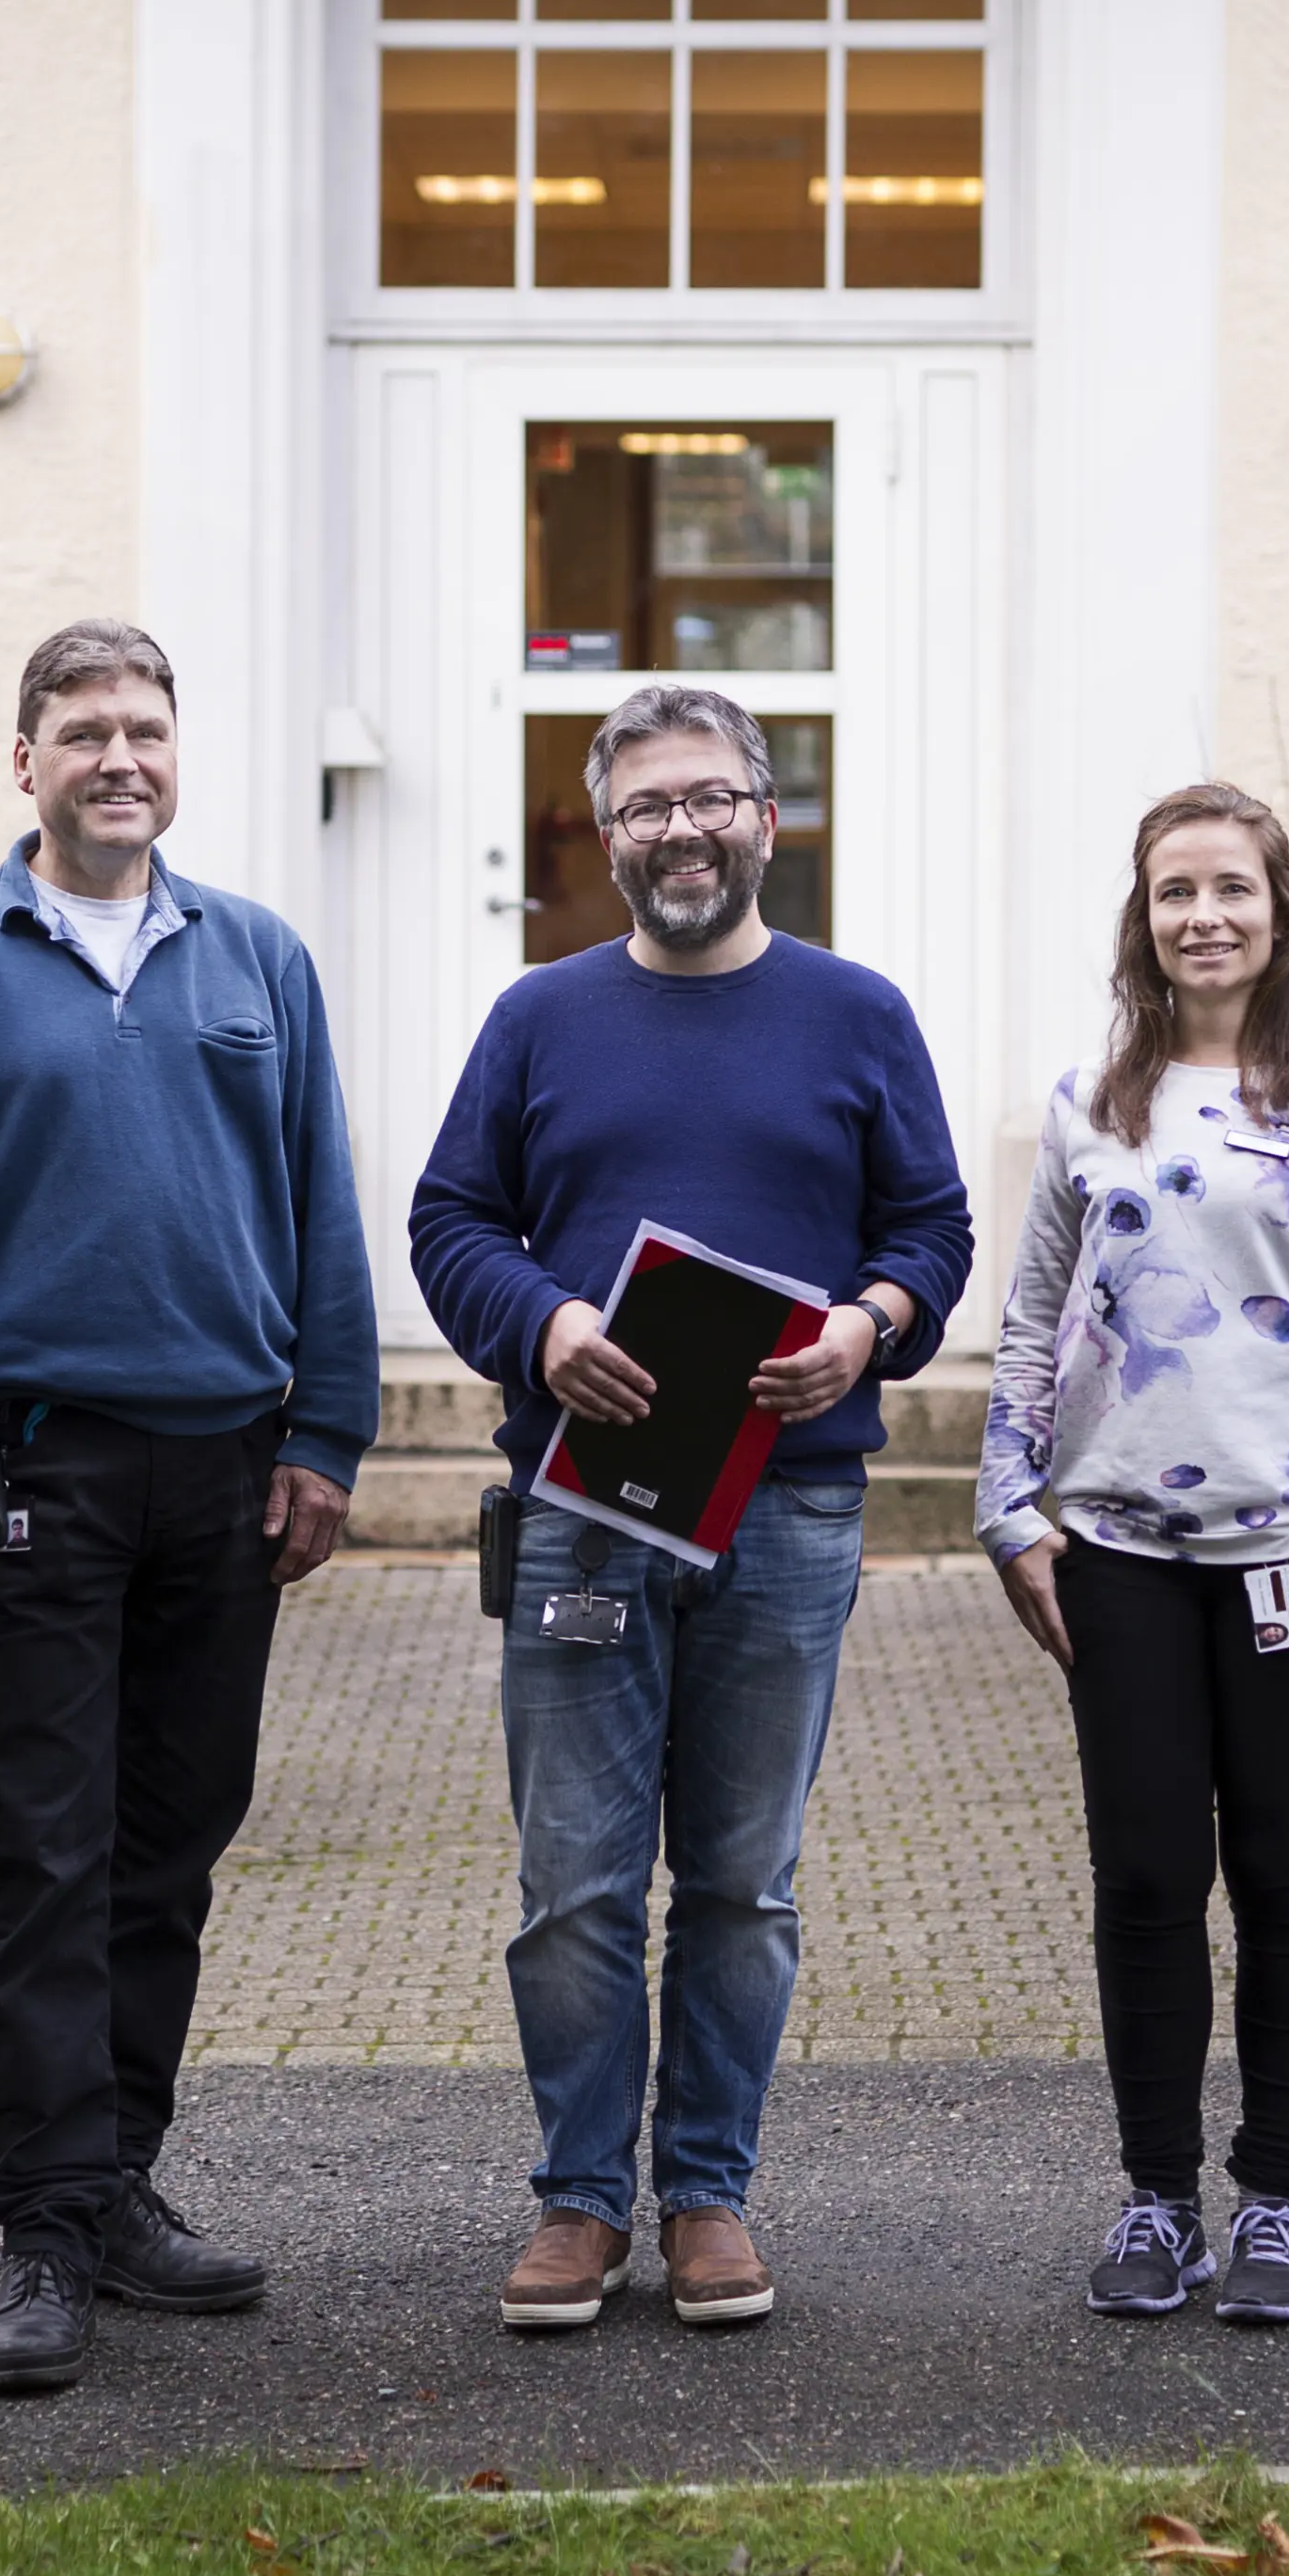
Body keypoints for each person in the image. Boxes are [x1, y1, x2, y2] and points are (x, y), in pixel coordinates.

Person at [0, 620, 383, 2395]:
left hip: (226, 1470)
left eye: (144, 727)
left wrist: (331, 1435)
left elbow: (319, 1208)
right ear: (26, 762)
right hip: (27, 1473)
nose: (118, 757)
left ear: (175, 751)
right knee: (42, 1857)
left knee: (171, 1840)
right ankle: (47, 2229)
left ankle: (120, 2176)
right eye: (83, 732)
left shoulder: (259, 959)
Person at [408, 683, 978, 2335]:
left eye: (710, 797)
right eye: (647, 804)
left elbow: (931, 1229)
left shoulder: (857, 1014)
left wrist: (868, 1324)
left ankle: (708, 2189)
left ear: (766, 817)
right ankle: (581, 2198)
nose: (681, 828)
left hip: (789, 1507)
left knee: (743, 1879)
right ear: (608, 834)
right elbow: (454, 1219)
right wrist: (543, 1325)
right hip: (588, 1505)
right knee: (574, 1881)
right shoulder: (536, 1018)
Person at [978, 785, 1289, 2327]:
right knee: (1148, 1882)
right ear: (1143, 916)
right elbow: (1032, 1320)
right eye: (1175, 891)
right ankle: (1157, 2198)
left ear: (1276, 906)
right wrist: (1009, 1510)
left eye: (1230, 888)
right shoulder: (1088, 1106)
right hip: (1117, 1554)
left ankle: (1276, 2205)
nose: (1204, 916)